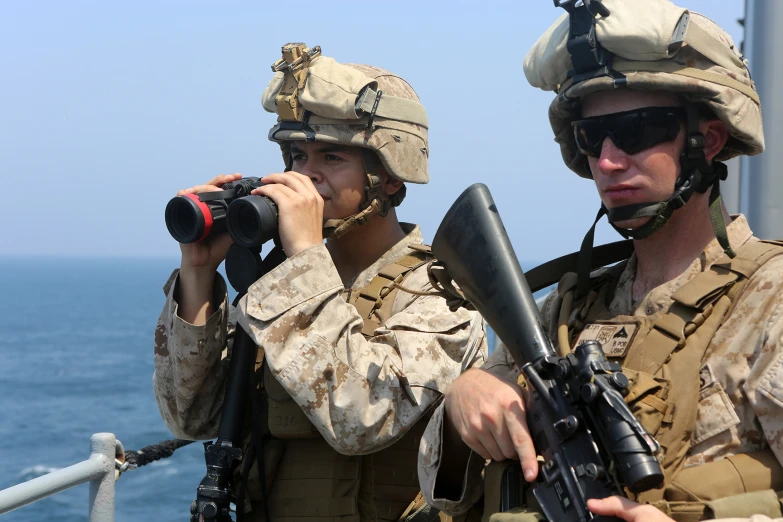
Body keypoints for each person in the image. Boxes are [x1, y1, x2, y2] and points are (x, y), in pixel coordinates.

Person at [418, 2, 783, 522]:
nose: (609, 161)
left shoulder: (769, 301)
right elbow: (441, 490)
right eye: (593, 139)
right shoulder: (563, 313)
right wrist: (463, 402)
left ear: (710, 139)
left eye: (636, 132)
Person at [153, 43, 487, 522]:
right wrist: (199, 271)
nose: (306, 177)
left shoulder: (440, 294)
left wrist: (305, 261)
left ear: (389, 177)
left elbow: (362, 420)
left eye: (331, 157)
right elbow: (190, 418)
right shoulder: (280, 284)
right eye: (296, 155)